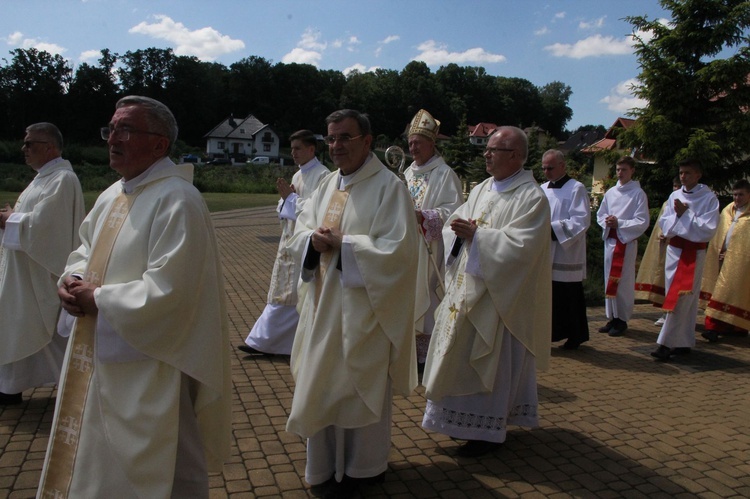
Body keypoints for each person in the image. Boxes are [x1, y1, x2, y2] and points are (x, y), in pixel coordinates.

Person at [38, 96, 231, 498]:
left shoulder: (178, 200)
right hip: (97, 356)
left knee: (161, 466)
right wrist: (70, 280)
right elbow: (83, 251)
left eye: (126, 130)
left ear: (160, 145)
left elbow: (171, 292)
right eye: (111, 129)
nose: (113, 139)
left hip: (151, 364)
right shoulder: (113, 194)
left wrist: (99, 298)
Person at [285, 109, 419, 497]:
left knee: (359, 386)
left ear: (367, 141)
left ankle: (365, 468)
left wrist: (346, 244)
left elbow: (399, 253)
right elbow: (300, 231)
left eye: (345, 137)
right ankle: (323, 466)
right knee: (320, 385)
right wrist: (313, 240)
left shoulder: (388, 187)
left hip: (363, 311)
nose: (336, 146)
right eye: (331, 138)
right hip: (321, 307)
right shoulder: (326, 184)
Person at [422, 126, 551, 458]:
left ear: (517, 156)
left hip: (499, 299)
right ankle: (460, 422)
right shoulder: (481, 188)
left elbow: (524, 248)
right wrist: (459, 232)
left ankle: (484, 430)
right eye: (487, 150)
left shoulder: (531, 197)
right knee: (457, 354)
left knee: (489, 361)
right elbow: (458, 223)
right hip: (468, 288)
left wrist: (479, 238)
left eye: (495, 150)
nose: (487, 155)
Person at [0, 123, 85, 405]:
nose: (24, 149)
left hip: (41, 272)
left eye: (30, 144)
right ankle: (9, 386)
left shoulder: (62, 179)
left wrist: (10, 219)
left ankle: (79, 387)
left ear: (50, 147)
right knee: (16, 325)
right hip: (23, 273)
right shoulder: (42, 178)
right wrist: (13, 218)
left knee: (43, 330)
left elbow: (48, 227)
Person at [238, 130, 329, 356]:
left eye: (298, 148)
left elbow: (315, 211)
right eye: (292, 149)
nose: (294, 153)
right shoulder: (298, 175)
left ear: (311, 149)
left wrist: (290, 199)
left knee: (293, 294)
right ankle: (274, 343)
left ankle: (264, 341)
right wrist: (285, 201)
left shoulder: (322, 175)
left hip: (305, 243)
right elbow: (285, 205)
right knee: (284, 292)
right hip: (289, 240)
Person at [403, 109, 463, 368]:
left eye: (418, 142)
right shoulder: (406, 172)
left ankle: (424, 355)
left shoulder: (444, 174)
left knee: (426, 295)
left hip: (429, 247)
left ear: (432, 143)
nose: (413, 147)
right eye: (410, 142)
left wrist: (424, 217)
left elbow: (454, 211)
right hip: (405, 246)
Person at [652, 159, 719, 360]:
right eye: (681, 173)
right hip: (675, 251)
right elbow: (665, 223)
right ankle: (683, 342)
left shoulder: (709, 198)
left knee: (683, 298)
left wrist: (685, 215)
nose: (683, 176)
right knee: (678, 296)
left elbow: (708, 229)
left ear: (698, 175)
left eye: (688, 173)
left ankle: (666, 343)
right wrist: (680, 218)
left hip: (694, 253)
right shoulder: (675, 195)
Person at [541, 149, 591, 349]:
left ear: (563, 166)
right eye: (544, 168)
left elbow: (581, 220)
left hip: (566, 252)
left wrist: (552, 230)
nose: (546, 172)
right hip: (545, 250)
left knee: (569, 296)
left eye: (550, 168)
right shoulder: (542, 188)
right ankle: (550, 333)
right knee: (550, 296)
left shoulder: (576, 188)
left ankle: (576, 335)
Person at [596, 156, 649, 336]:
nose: (620, 173)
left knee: (623, 282)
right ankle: (612, 317)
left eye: (624, 170)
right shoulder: (611, 192)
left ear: (632, 170)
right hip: (610, 241)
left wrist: (620, 223)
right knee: (608, 279)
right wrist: (607, 221)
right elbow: (600, 213)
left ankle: (622, 320)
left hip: (624, 242)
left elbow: (642, 221)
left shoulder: (638, 194)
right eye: (618, 169)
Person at [699, 179, 749, 342]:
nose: (737, 198)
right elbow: (720, 233)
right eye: (734, 194)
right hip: (719, 258)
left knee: (734, 293)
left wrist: (733, 254)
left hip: (741, 263)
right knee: (717, 291)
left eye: (741, 195)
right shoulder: (728, 210)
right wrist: (719, 251)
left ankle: (736, 326)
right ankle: (712, 327)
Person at [635, 177, 681, 325]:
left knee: (675, 283)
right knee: (663, 280)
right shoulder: (667, 203)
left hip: (679, 248)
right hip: (664, 247)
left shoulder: (687, 205)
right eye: (674, 186)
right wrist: (661, 234)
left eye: (678, 186)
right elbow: (662, 222)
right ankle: (664, 311)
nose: (675, 189)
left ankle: (673, 314)